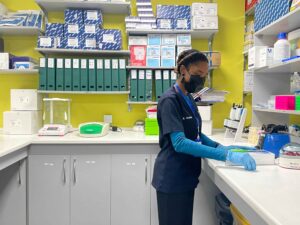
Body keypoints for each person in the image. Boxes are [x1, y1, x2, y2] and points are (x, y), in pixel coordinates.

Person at [152, 49, 256, 225]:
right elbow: (180, 143)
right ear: (183, 70)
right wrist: (227, 156)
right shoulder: (169, 100)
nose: (202, 79)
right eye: (198, 73)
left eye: (205, 75)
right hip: (172, 179)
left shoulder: (189, 98)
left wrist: (219, 147)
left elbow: (196, 134)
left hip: (186, 178)